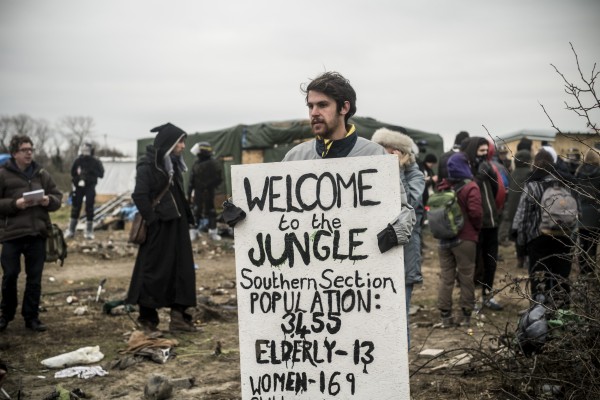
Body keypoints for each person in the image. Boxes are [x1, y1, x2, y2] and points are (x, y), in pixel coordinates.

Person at [126, 123, 198, 333]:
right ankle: (147, 320)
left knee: (182, 271)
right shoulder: (148, 166)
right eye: (180, 142)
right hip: (159, 230)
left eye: (184, 141)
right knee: (153, 272)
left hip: (177, 228)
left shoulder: (173, 165)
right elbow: (139, 195)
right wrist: (153, 221)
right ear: (169, 143)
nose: (183, 146)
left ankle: (179, 317)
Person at [0, 135, 63, 332]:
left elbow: (58, 197)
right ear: (14, 153)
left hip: (37, 234)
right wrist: (14, 204)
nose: (29, 153)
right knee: (10, 275)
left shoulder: (41, 174)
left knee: (34, 278)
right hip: (12, 234)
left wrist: (48, 200)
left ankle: (31, 317)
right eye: (24, 150)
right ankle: (5, 315)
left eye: (31, 149)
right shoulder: (2, 174)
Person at [371, 128, 425, 343]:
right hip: (380, 251)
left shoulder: (415, 175)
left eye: (389, 152)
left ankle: (403, 364)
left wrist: (397, 171)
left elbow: (407, 205)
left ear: (402, 154)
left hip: (405, 252)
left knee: (399, 314)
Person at [512, 150, 575, 308]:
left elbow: (524, 216)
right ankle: (562, 317)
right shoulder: (565, 184)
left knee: (539, 279)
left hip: (537, 239)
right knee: (561, 279)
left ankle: (539, 315)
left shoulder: (532, 185)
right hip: (563, 238)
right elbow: (576, 212)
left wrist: (521, 243)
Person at [435, 152, 482, 327]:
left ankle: (445, 316)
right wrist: (475, 230)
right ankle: (466, 316)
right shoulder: (471, 187)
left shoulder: (443, 186)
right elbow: (476, 213)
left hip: (443, 240)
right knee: (466, 276)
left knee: (446, 277)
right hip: (465, 239)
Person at [462, 137, 506, 311]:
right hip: (474, 223)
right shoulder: (466, 169)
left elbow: (497, 190)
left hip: (491, 222)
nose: (484, 154)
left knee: (491, 262)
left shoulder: (489, 168)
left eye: (485, 151)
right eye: (480, 151)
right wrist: (478, 176)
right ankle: (471, 299)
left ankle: (487, 295)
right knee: (474, 263)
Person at [65, 142, 104, 240]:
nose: (85, 152)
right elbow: (73, 173)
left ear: (91, 151)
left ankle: (89, 231)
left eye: (87, 150)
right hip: (79, 187)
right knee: (75, 206)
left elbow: (101, 174)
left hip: (90, 186)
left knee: (89, 207)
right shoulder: (78, 161)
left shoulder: (95, 161)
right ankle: (71, 230)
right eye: (84, 149)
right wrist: (78, 179)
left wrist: (91, 172)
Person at [188, 141, 223, 241]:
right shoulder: (197, 163)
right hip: (199, 192)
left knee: (210, 211)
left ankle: (212, 232)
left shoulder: (213, 163)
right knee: (196, 211)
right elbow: (191, 181)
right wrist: (189, 193)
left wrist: (208, 186)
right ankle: (194, 233)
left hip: (208, 192)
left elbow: (219, 179)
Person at [504, 148, 532, 269]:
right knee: (528, 234)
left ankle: (519, 259)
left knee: (517, 236)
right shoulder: (530, 173)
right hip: (526, 210)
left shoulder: (512, 173)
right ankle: (526, 258)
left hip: (513, 210)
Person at [574, 148, 600, 275]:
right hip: (595, 213)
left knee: (583, 244)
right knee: (593, 245)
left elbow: (575, 191)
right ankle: (591, 271)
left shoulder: (579, 171)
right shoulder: (599, 172)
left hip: (581, 213)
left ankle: (583, 271)